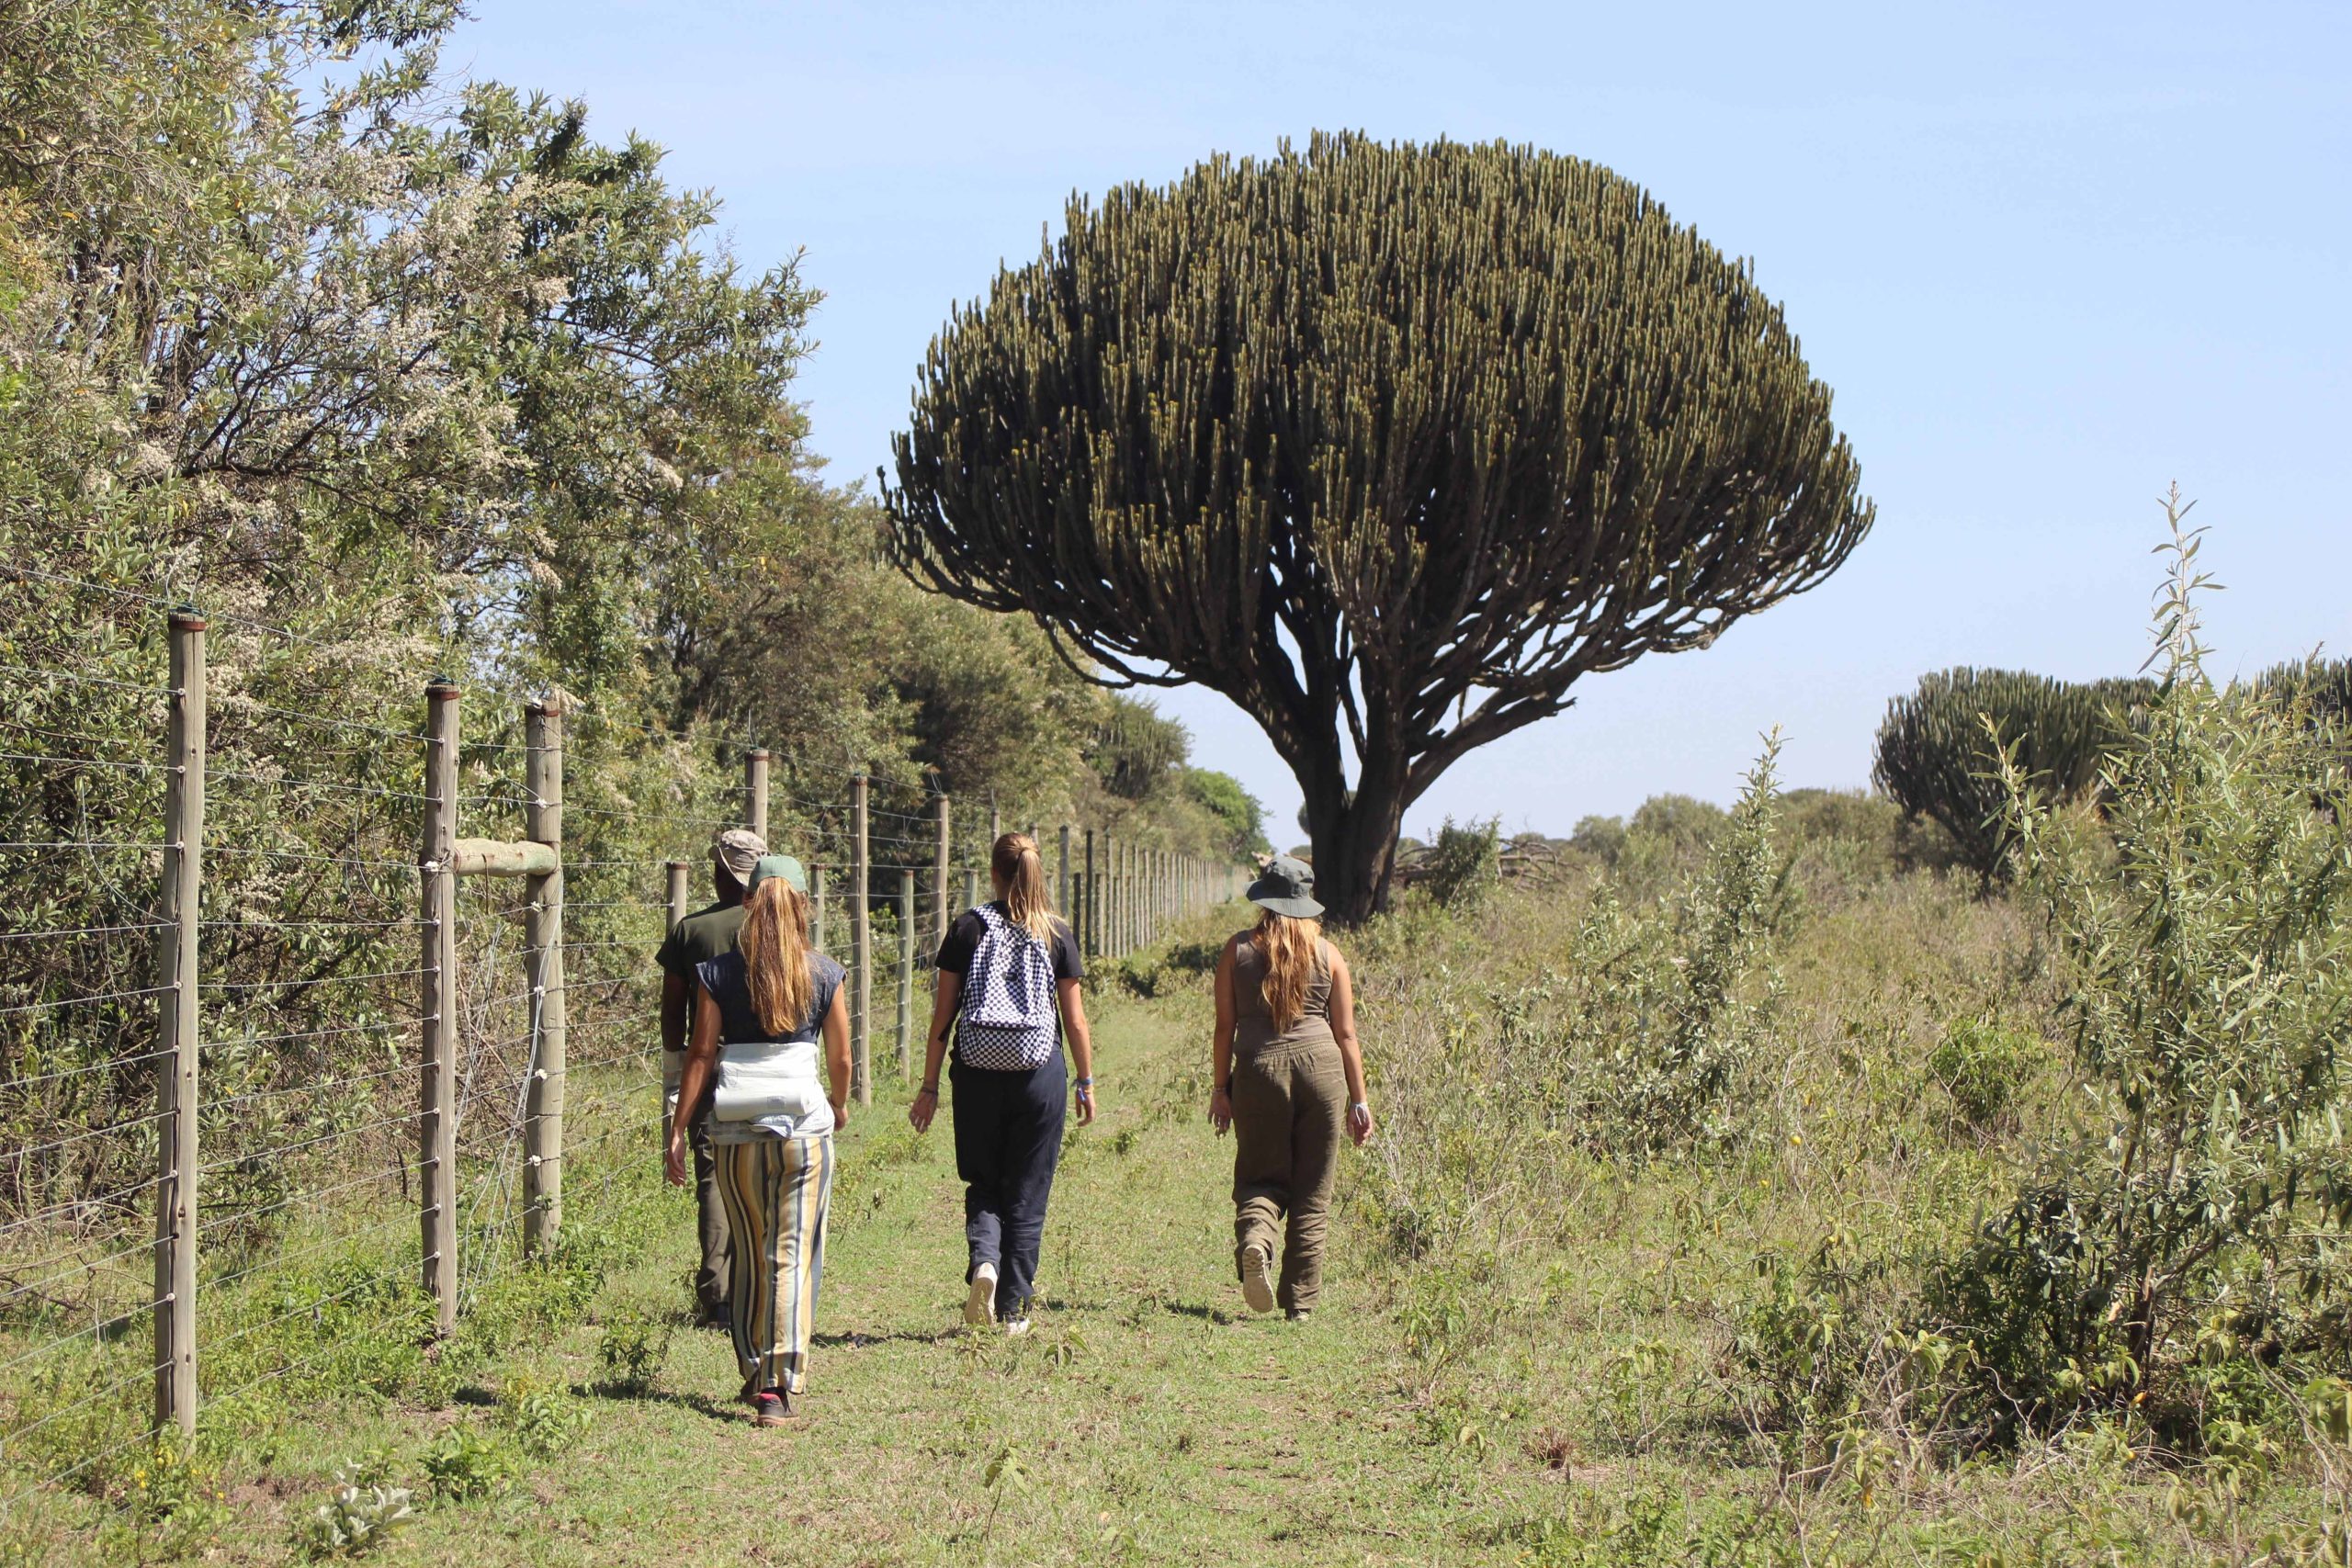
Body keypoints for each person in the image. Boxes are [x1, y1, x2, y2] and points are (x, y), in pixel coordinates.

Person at [665, 854, 849, 1427]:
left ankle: (752, 1367)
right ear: (802, 906)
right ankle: (778, 1384)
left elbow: (701, 1054)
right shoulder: (824, 973)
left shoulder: (717, 974)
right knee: (791, 1255)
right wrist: (839, 1104)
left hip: (734, 1133)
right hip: (804, 1136)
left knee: (748, 1252)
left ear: (748, 904)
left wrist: (678, 1127)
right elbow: (841, 1058)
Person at [910, 831, 1095, 1335]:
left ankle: (985, 1263)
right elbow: (1075, 1021)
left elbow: (942, 1018)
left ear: (993, 873)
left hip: (976, 1075)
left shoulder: (968, 927)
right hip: (1040, 1076)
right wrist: (1085, 1080)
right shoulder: (1056, 933)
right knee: (1028, 1190)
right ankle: (1014, 1310)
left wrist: (929, 1086)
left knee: (984, 1181)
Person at [1208, 855, 1374, 1320]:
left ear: (1264, 898)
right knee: (1313, 1190)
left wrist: (1221, 1089)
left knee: (1260, 1176)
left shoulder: (1237, 950)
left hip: (1258, 1071)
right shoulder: (1329, 954)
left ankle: (1257, 1241)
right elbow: (1346, 1035)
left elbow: (1224, 1027)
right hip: (1323, 1071)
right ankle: (1300, 1303)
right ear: (1306, 901)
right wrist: (1359, 1101)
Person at [655, 827, 767, 1328]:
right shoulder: (776, 927)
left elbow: (672, 1007)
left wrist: (675, 1068)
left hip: (708, 1066)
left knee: (714, 1177)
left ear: (722, 872)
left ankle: (718, 1296)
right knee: (762, 1172)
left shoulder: (691, 931)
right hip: (765, 1065)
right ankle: (757, 1286)